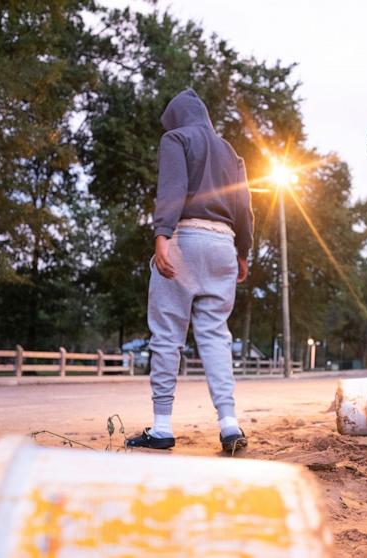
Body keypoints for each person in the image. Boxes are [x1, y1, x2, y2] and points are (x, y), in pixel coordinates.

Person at [126, 88, 254, 454]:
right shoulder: (231, 152)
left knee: (167, 334)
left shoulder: (176, 138)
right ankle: (229, 423)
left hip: (185, 239)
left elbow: (173, 188)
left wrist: (162, 234)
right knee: (215, 335)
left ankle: (162, 426)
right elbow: (244, 206)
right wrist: (243, 251)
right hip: (223, 245)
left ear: (176, 118)